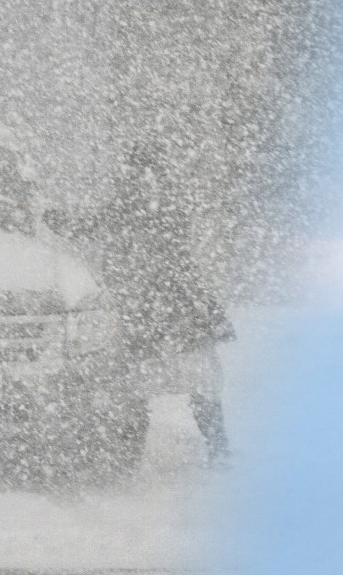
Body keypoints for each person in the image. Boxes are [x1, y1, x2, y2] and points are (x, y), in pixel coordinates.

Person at [47, 143, 234, 464]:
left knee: (135, 386)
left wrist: (57, 219)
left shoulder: (129, 203)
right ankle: (217, 447)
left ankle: (130, 452)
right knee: (200, 383)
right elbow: (180, 258)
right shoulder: (169, 204)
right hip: (177, 309)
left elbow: (86, 226)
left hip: (145, 311)